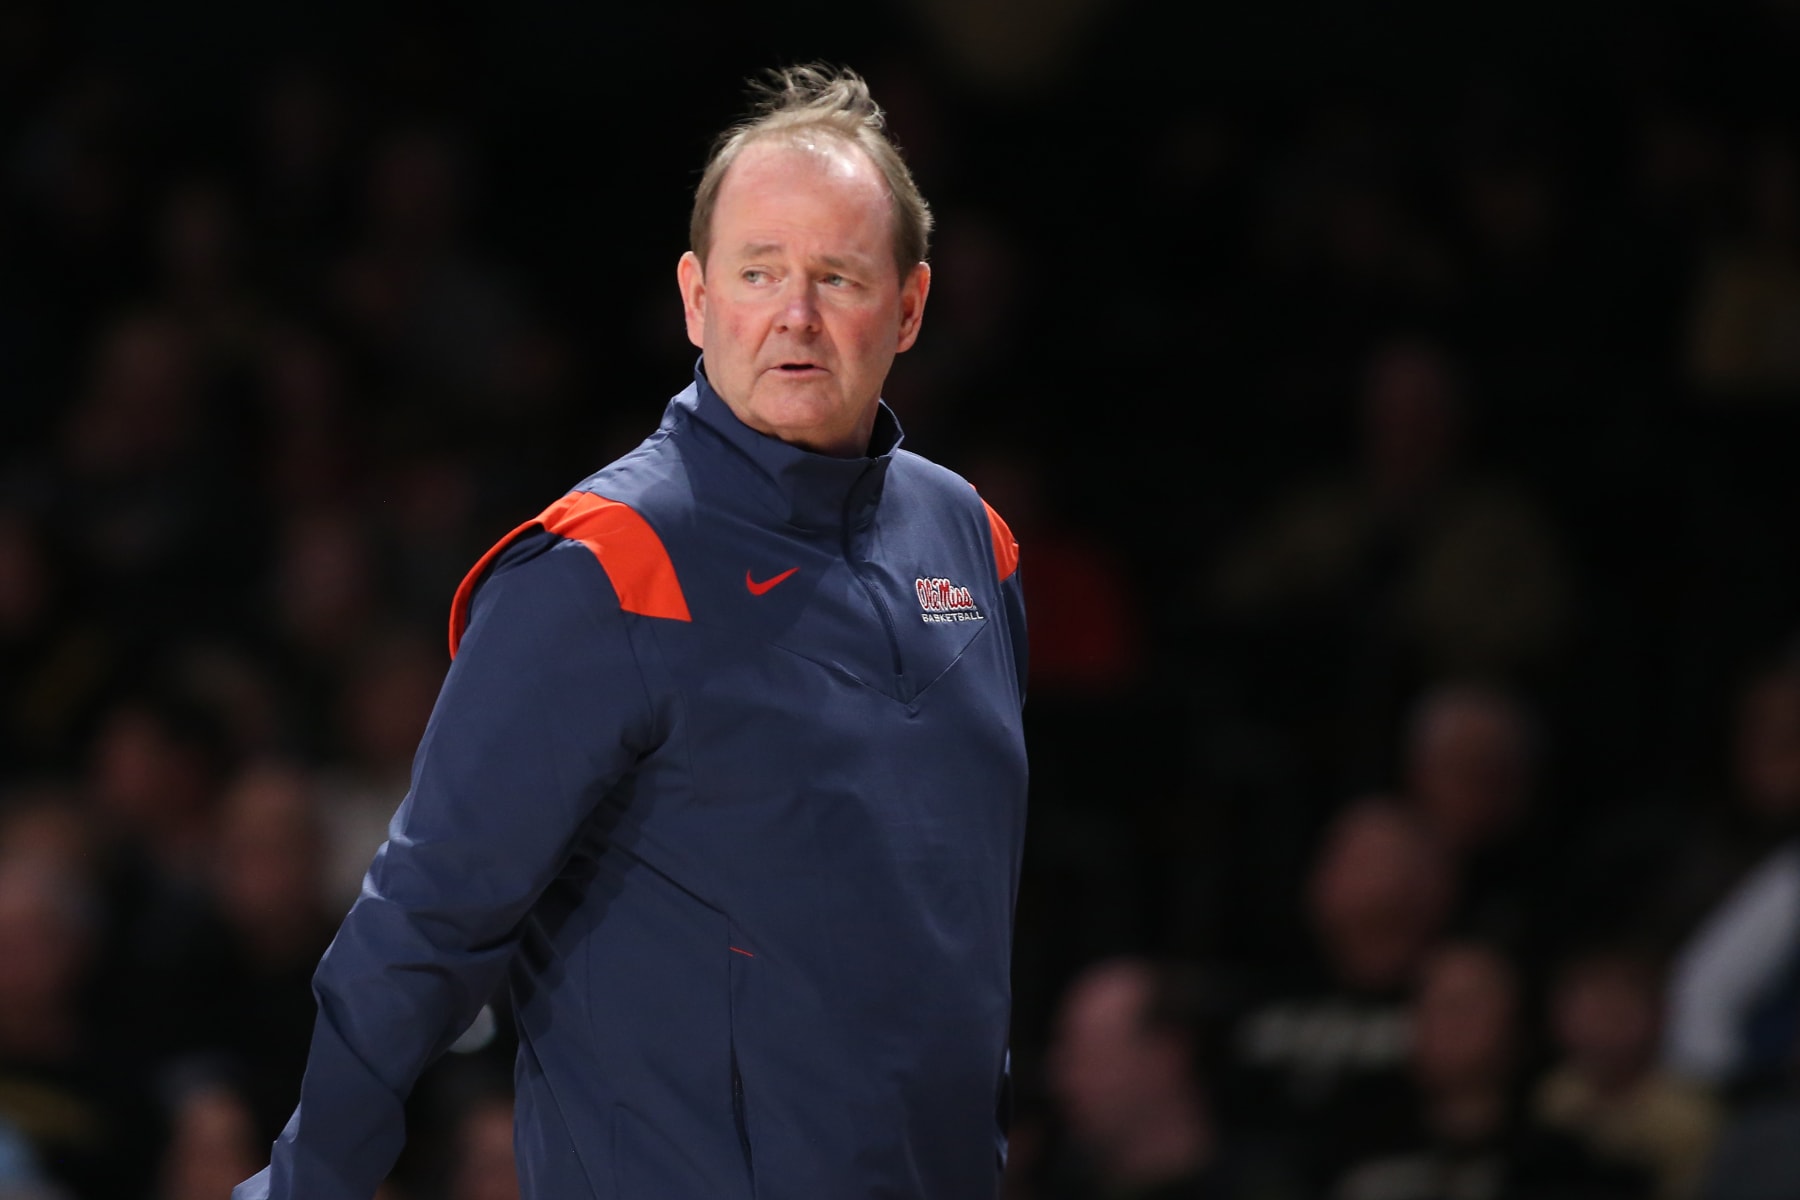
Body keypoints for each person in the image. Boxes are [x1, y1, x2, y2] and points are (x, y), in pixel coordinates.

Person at [234, 64, 1029, 1200]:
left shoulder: (973, 543)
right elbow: (421, 924)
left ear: (908, 306)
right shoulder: (600, 570)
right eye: (760, 273)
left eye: (838, 277)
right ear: (697, 299)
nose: (795, 316)